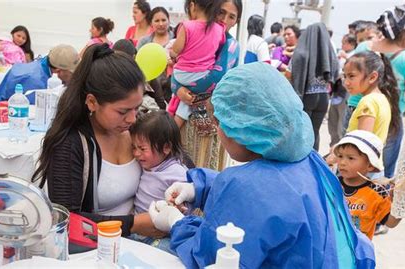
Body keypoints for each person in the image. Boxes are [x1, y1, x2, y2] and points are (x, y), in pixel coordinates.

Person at [148, 63, 375, 268]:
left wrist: (176, 223)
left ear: (241, 128)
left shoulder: (248, 188)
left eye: (220, 123)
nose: (219, 131)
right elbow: (271, 193)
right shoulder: (310, 159)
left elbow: (211, 257)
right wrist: (199, 187)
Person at [31, 44, 164, 240]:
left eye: (137, 108)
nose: (132, 118)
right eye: (123, 111)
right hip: (100, 248)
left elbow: (176, 162)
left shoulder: (138, 130)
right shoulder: (70, 144)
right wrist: (133, 225)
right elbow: (66, 220)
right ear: (92, 102)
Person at [346, 3, 405, 179]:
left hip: (356, 111)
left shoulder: (363, 48)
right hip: (389, 120)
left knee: (350, 163)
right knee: (382, 175)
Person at [177, 0, 242, 170]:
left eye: (232, 17)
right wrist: (178, 89)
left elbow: (215, 77)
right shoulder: (198, 36)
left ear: (237, 21)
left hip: (212, 120)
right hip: (187, 118)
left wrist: (180, 86)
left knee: (204, 170)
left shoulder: (231, 45)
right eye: (221, 12)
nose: (224, 20)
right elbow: (178, 66)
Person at [129, 111, 187, 251]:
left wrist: (178, 206)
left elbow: (186, 204)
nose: (136, 154)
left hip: (163, 234)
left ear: (166, 147)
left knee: (167, 251)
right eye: (134, 147)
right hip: (140, 229)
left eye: (142, 148)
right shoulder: (148, 164)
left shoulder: (177, 173)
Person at [334, 130, 401, 240]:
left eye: (350, 158)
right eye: (340, 156)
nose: (342, 162)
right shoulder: (332, 183)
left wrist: (400, 203)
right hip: (329, 248)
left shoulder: (377, 192)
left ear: (369, 165)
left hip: (357, 253)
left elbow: (390, 223)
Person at [169, 0, 225, 128]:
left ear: (193, 5)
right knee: (190, 99)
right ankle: (182, 127)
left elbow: (176, 51)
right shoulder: (219, 29)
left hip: (182, 75)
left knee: (185, 100)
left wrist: (172, 54)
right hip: (204, 78)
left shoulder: (187, 26)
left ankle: (172, 127)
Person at [291, 22, 339, 151]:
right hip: (323, 98)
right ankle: (312, 164)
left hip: (307, 97)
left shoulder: (302, 52)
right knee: (315, 133)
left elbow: (294, 76)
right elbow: (335, 73)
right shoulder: (330, 54)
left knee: (302, 135)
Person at [0, 44, 79, 104]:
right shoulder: (35, 81)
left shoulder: (38, 66)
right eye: (71, 73)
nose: (73, 77)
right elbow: (33, 113)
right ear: (59, 70)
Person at [344, 51, 400, 145]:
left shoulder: (368, 102)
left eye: (351, 76)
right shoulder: (382, 99)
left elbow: (361, 144)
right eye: (345, 76)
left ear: (372, 77)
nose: (346, 82)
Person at [137, 6, 175, 109]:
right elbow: (137, 64)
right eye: (157, 21)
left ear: (169, 20)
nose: (161, 24)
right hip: (151, 91)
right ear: (151, 23)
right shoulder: (143, 42)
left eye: (163, 20)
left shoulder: (176, 39)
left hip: (174, 89)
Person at [328, 34, 357, 147]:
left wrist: (346, 59)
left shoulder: (354, 56)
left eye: (344, 43)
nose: (342, 45)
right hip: (336, 91)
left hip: (345, 92)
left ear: (351, 44)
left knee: (342, 121)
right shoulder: (340, 55)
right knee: (333, 121)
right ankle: (333, 146)